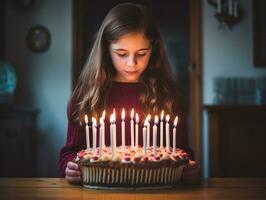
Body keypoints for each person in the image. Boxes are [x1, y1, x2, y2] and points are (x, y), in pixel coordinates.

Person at [59, 2, 199, 184]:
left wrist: (188, 168)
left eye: (141, 53)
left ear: (153, 49)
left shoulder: (166, 95)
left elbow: (182, 152)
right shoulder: (87, 95)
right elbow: (68, 154)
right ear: (106, 50)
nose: (132, 63)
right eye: (122, 53)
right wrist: (70, 167)